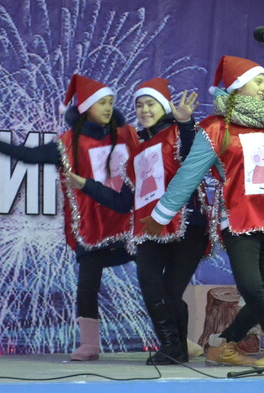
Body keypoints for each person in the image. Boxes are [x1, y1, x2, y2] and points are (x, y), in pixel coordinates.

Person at [141, 56, 264, 367]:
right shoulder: (215, 128)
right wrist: (160, 216)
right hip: (238, 221)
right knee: (251, 286)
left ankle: (224, 344)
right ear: (237, 85)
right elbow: (188, 175)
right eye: (258, 81)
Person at [0, 75, 139, 361]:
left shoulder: (128, 135)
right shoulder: (67, 145)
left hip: (130, 221)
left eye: (110, 102)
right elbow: (28, 155)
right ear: (86, 108)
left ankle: (175, 338)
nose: (108, 107)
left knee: (153, 277)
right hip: (92, 226)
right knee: (87, 285)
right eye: (101, 102)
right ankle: (89, 344)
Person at [64, 78, 210, 365]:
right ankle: (172, 346)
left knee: (170, 292)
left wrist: (185, 123)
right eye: (139, 105)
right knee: (151, 285)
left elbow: (194, 156)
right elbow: (122, 202)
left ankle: (176, 347)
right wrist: (86, 184)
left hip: (187, 225)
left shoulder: (178, 134)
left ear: (164, 106)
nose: (144, 110)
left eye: (150, 104)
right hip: (148, 228)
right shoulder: (137, 153)